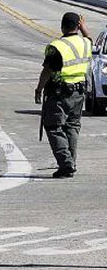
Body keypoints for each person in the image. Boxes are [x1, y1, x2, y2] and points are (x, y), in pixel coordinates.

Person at [35, 12, 91, 178]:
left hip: (59, 93)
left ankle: (66, 163)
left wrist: (39, 89)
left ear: (62, 26)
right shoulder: (85, 43)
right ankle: (70, 163)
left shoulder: (57, 46)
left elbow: (47, 71)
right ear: (78, 26)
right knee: (72, 127)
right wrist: (84, 28)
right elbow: (90, 39)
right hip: (79, 93)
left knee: (53, 126)